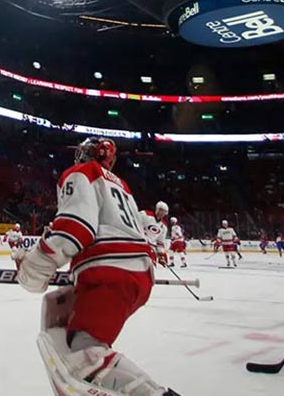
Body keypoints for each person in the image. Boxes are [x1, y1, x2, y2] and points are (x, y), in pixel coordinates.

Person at [17, 137, 181, 396]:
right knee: (88, 344)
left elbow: (75, 228)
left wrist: (35, 267)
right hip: (136, 273)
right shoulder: (122, 185)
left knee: (84, 354)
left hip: (112, 272)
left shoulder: (81, 173)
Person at [139, 201, 169, 267]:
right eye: (161, 210)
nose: (162, 213)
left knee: (151, 268)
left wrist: (161, 254)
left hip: (151, 249)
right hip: (139, 245)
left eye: (164, 211)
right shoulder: (145, 215)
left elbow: (160, 242)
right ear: (157, 209)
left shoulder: (164, 226)